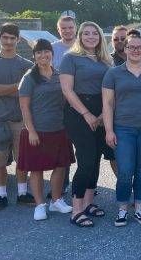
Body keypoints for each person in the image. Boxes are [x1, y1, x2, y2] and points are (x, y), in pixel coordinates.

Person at [103, 31, 141, 227]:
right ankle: (122, 209)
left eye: (139, 47)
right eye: (131, 47)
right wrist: (109, 130)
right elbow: (108, 104)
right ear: (125, 49)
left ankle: (139, 207)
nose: (136, 50)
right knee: (125, 171)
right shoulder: (113, 73)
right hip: (123, 129)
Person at [60, 21, 113, 227]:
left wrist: (101, 114)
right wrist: (87, 114)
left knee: (97, 158)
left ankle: (89, 203)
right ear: (80, 36)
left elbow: (111, 89)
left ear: (100, 37)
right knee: (86, 159)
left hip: (102, 112)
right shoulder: (70, 58)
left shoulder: (106, 60)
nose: (91, 37)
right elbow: (67, 90)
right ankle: (76, 210)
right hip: (78, 113)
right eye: (86, 34)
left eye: (95, 34)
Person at [17, 39, 74, 221]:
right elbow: (24, 108)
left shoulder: (59, 75)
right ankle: (40, 204)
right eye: (39, 52)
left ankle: (56, 201)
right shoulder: (29, 78)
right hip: (37, 132)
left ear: (52, 53)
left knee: (61, 166)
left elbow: (66, 100)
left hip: (59, 129)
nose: (43, 55)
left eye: (46, 51)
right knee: (37, 169)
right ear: (34, 56)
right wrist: (31, 131)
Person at [0, 23, 34, 212]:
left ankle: (22, 193)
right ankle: (1, 195)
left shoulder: (27, 65)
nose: (8, 41)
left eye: (12, 38)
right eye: (5, 37)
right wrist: (18, 86)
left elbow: (30, 91)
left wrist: (10, 89)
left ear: (18, 40)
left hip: (21, 119)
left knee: (22, 159)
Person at [51, 15, 76, 196]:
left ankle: (85, 183)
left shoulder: (84, 46)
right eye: (63, 28)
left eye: (70, 27)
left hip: (83, 104)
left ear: (75, 28)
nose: (67, 31)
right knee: (62, 148)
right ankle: (62, 184)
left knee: (84, 148)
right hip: (60, 107)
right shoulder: (52, 50)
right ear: (58, 30)